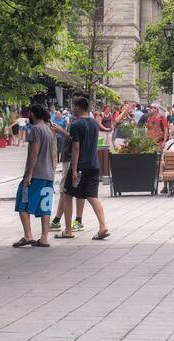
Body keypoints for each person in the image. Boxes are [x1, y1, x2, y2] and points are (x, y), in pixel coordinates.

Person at [62, 96, 111, 240]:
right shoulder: (95, 123)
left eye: (73, 106)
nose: (72, 109)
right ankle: (103, 226)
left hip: (80, 166)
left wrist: (74, 170)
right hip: (94, 164)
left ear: (79, 107)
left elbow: (76, 147)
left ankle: (68, 230)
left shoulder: (76, 124)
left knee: (67, 195)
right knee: (92, 196)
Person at [15, 105, 56, 248]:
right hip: (48, 174)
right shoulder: (49, 130)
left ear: (32, 114)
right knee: (45, 205)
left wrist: (29, 175)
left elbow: (34, 153)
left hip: (36, 174)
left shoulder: (36, 130)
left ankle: (28, 235)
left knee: (22, 201)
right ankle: (44, 237)